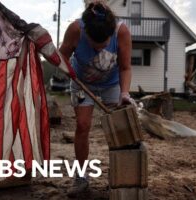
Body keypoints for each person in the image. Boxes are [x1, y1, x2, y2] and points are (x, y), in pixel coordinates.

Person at [59, 1, 134, 197]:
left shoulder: (122, 32)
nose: (100, 48)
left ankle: (120, 175)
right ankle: (81, 177)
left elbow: (125, 67)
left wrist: (124, 93)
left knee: (120, 128)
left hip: (112, 84)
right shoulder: (76, 29)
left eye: (105, 44)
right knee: (83, 125)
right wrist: (67, 71)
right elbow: (62, 57)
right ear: (86, 34)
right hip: (82, 82)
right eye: (95, 44)